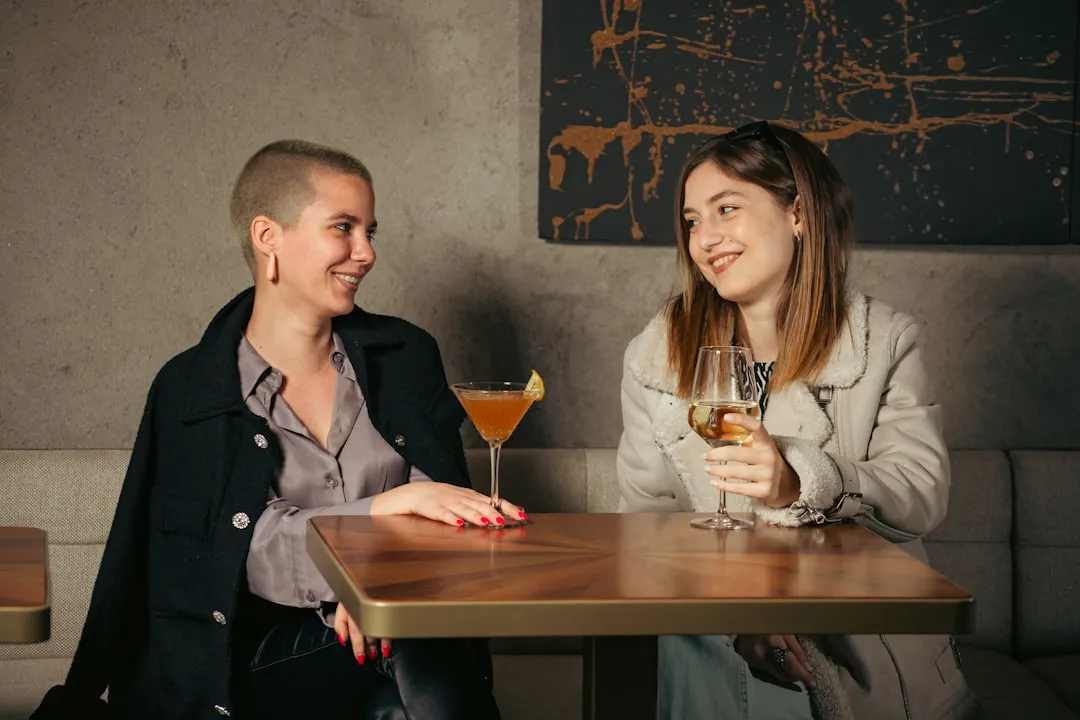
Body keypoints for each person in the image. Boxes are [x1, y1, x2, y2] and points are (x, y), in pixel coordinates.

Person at [33, 140, 520, 720]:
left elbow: (445, 513)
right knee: (410, 647)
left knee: (398, 685)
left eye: (370, 231)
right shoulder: (192, 388)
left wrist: (376, 590)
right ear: (269, 238)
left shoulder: (407, 356)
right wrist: (373, 538)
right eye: (343, 227)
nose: (365, 253)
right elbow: (245, 544)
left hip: (397, 633)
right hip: (248, 666)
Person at [616, 121, 976, 719]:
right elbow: (644, 526)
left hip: (859, 633)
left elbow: (920, 493)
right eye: (692, 220)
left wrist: (805, 479)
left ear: (799, 215)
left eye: (726, 208)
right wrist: (739, 619)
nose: (704, 238)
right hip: (711, 631)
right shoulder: (656, 355)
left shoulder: (883, 340)